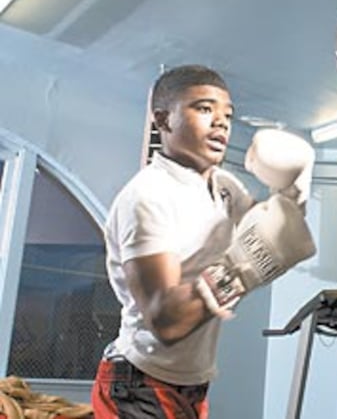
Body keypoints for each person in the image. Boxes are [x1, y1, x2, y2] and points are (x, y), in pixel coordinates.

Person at [91, 65, 315, 418]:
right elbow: (165, 321)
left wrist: (295, 190)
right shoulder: (148, 196)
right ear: (163, 120)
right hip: (141, 380)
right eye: (204, 109)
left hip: (191, 381)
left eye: (227, 115)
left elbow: (277, 232)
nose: (221, 123)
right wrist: (241, 269)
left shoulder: (225, 187)